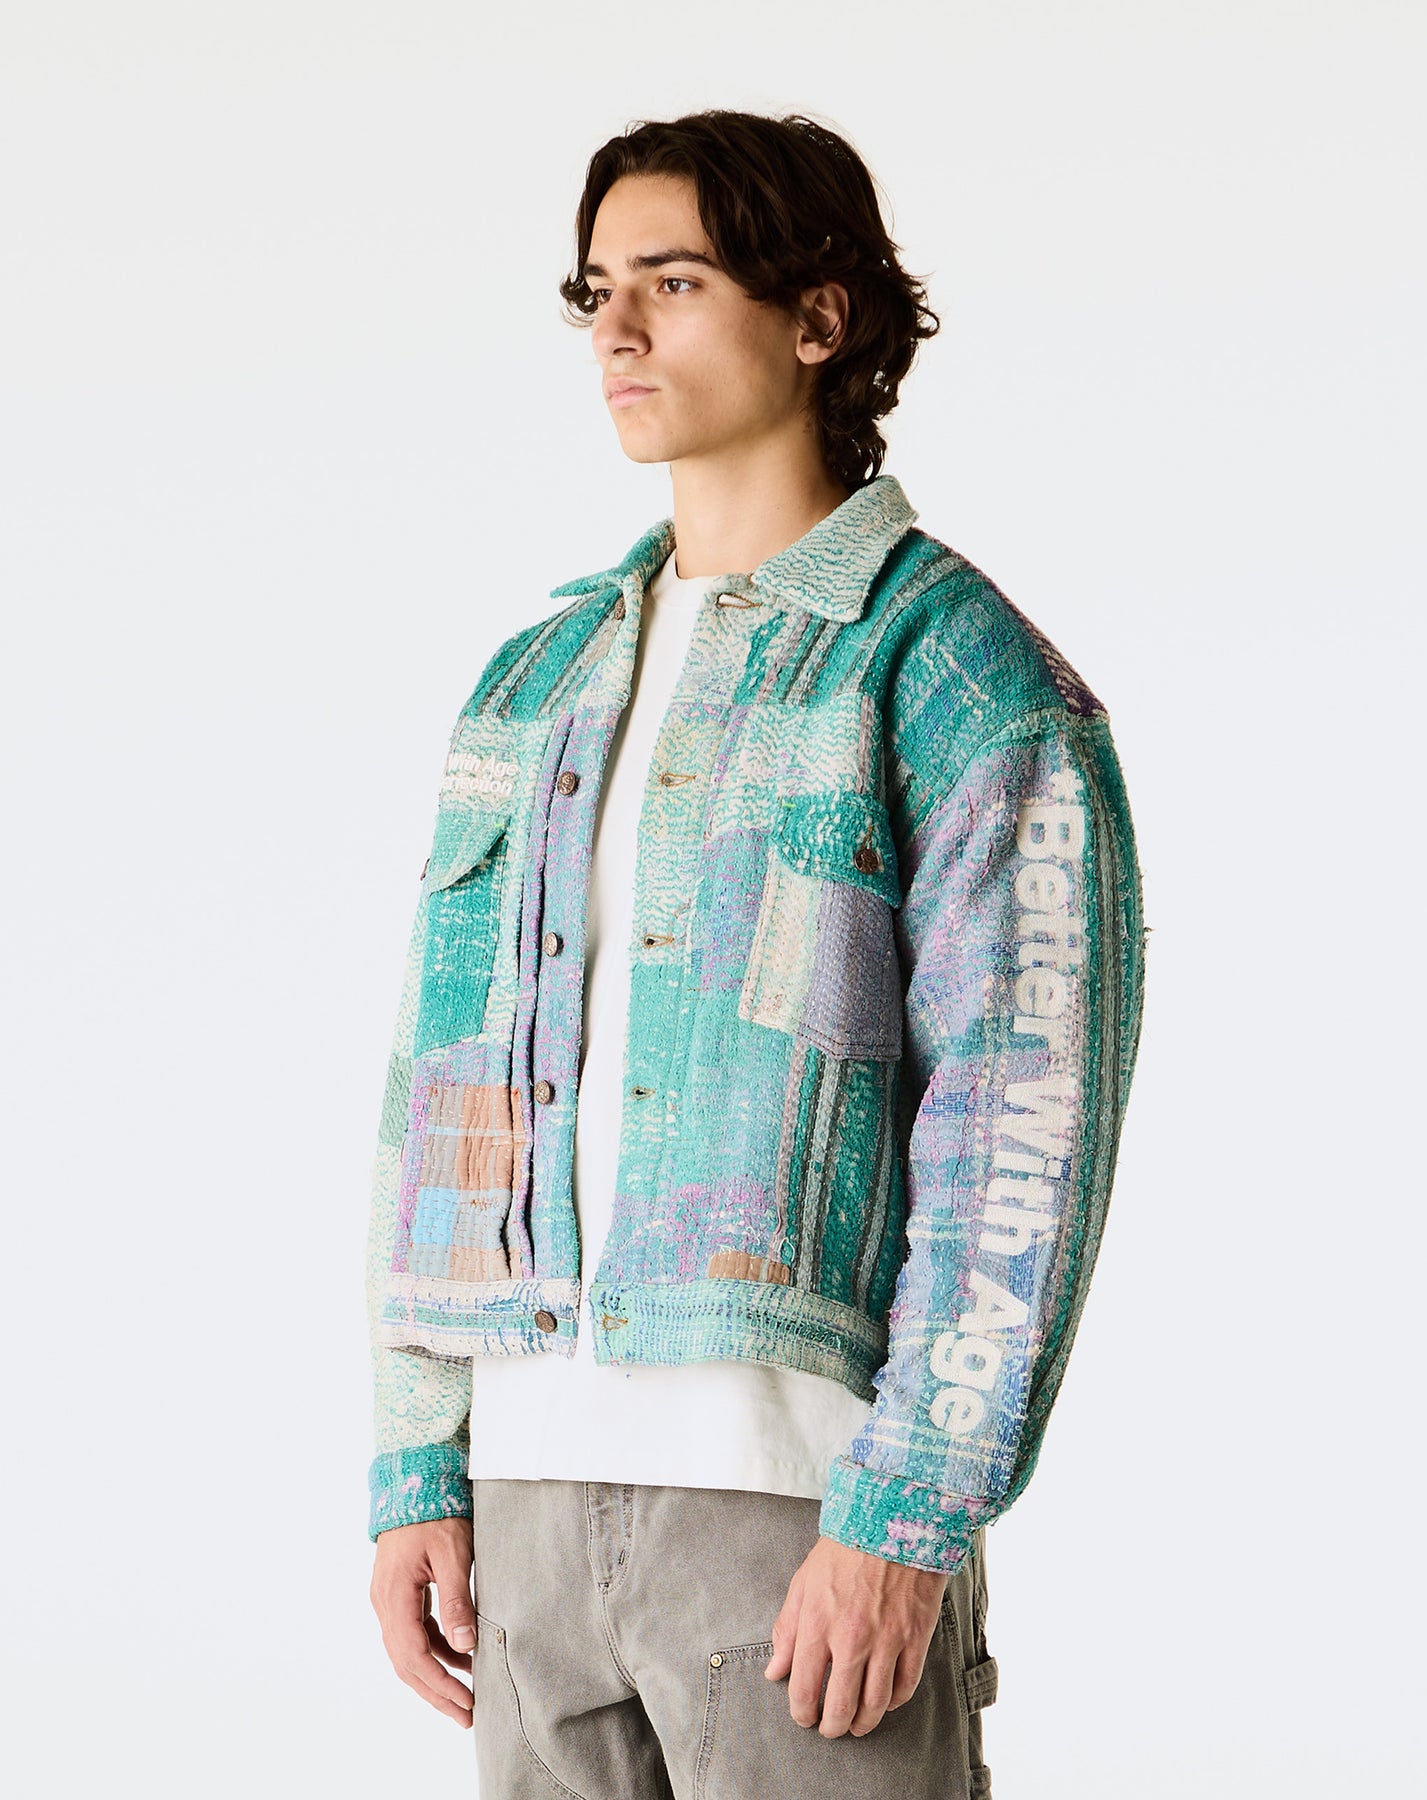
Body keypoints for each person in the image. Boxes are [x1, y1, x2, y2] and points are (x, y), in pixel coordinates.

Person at [364, 109, 1146, 1799]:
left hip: (797, 1512)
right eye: (596, 290)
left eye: (674, 281)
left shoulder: (953, 673)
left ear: (819, 319)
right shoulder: (535, 683)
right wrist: (419, 1458)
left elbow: (1020, 1128)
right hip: (524, 1506)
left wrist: (909, 1512)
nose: (617, 331)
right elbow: (438, 1096)